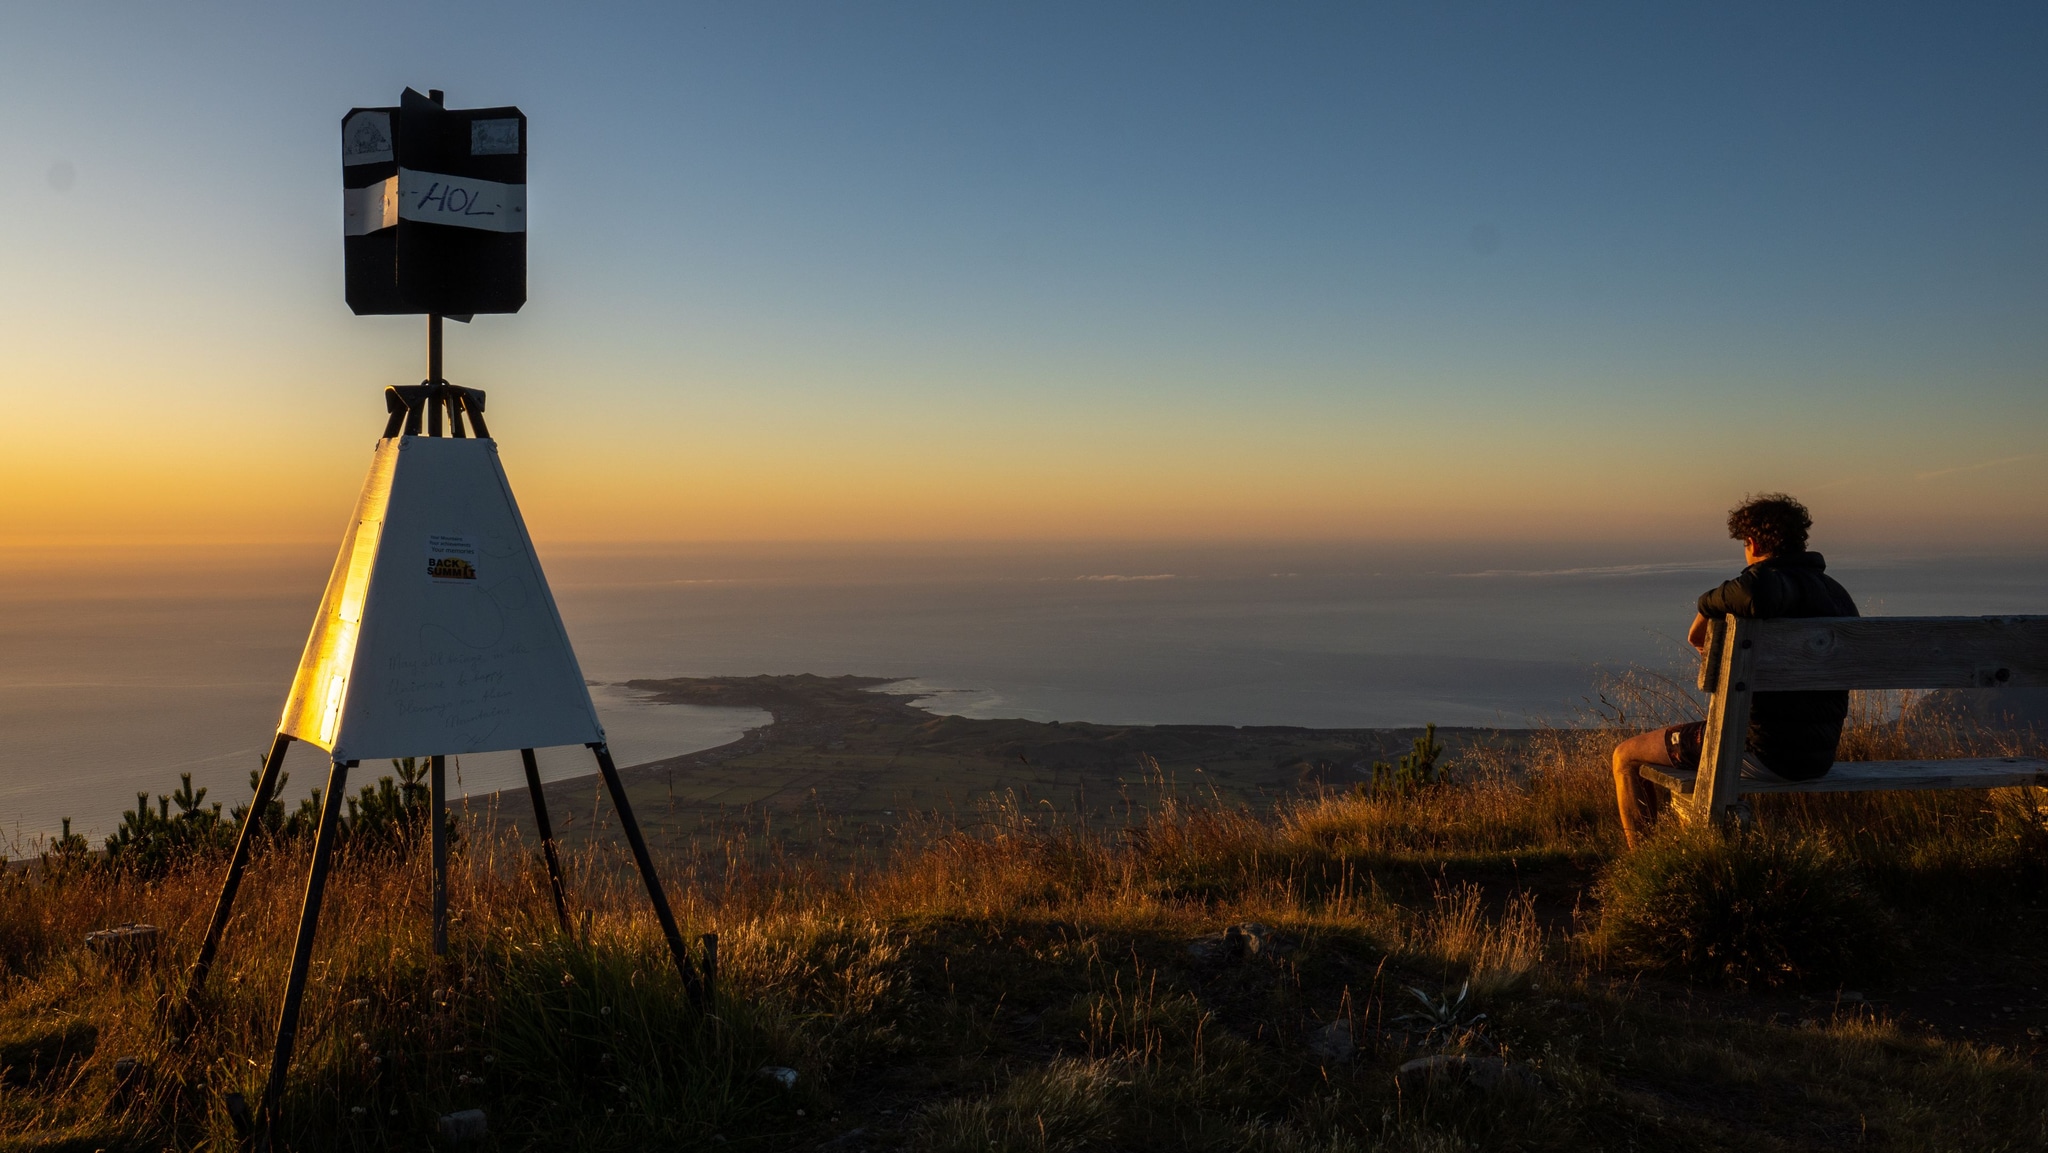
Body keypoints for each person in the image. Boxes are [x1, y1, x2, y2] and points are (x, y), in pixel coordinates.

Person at [1610, 493, 1859, 848]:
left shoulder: (1766, 583)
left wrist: (1704, 606)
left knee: (1625, 755)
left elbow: (1754, 592)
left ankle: (1642, 864)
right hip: (1818, 757)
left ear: (1753, 543)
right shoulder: (1837, 595)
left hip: (1758, 753)